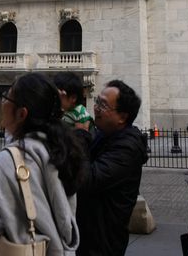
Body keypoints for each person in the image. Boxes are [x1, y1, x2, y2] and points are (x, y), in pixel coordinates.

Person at [0, 72, 84, 255]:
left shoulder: (6, 162)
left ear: (21, 113)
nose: (2, 104)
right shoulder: (59, 149)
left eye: (6, 97)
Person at [75, 80, 148, 256]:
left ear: (122, 117)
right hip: (86, 233)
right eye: (97, 102)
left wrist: (81, 137)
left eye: (103, 105)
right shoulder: (103, 134)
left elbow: (87, 179)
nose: (96, 108)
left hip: (102, 241)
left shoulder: (127, 148)